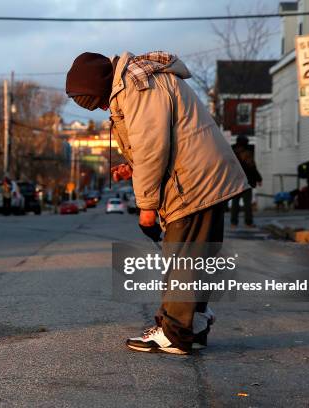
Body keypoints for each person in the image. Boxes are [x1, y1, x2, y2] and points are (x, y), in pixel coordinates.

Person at [66, 51, 248, 355]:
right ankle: (195, 323)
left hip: (193, 181)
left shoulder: (138, 88)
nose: (101, 108)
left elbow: (153, 149)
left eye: (97, 102)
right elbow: (161, 142)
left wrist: (147, 208)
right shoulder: (140, 80)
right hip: (202, 175)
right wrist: (135, 167)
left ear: (100, 88)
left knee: (181, 257)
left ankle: (175, 333)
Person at [230, 135, 262, 228]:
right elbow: (252, 167)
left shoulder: (231, 152)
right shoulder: (246, 153)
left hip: (235, 181)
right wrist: (258, 178)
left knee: (235, 203)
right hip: (246, 181)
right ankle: (248, 222)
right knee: (247, 203)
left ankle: (233, 223)